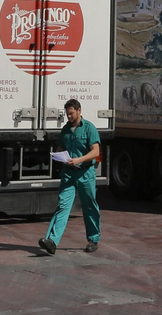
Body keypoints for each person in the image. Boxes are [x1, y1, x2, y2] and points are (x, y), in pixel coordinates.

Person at [39, 98, 101, 255]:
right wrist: (60, 155)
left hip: (85, 173)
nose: (69, 117)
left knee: (89, 206)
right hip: (68, 174)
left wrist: (79, 159)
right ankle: (51, 241)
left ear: (79, 111)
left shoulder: (89, 128)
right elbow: (61, 146)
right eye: (67, 114)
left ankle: (93, 239)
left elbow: (96, 151)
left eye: (71, 114)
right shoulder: (66, 129)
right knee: (63, 205)